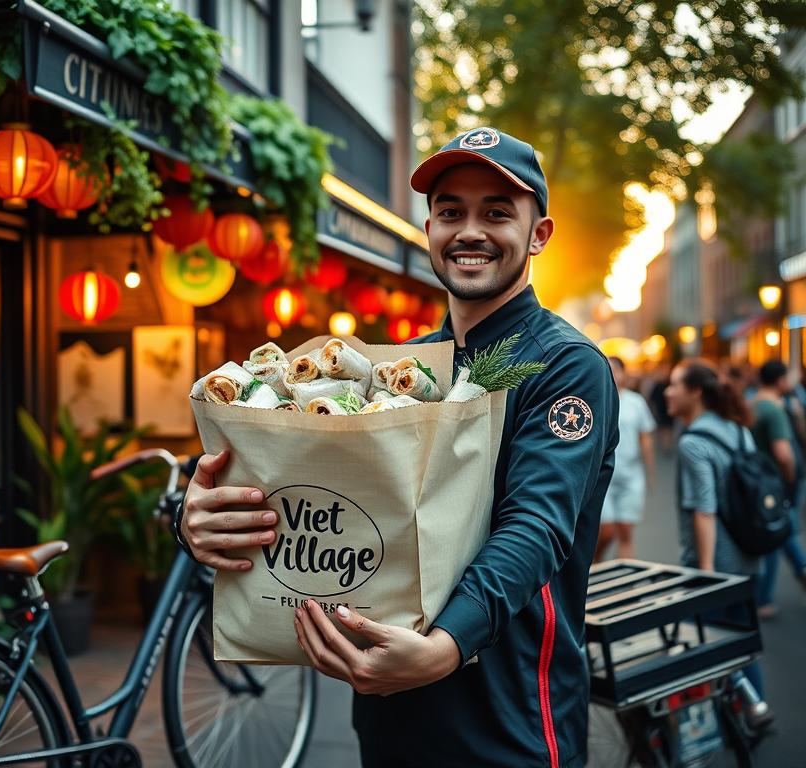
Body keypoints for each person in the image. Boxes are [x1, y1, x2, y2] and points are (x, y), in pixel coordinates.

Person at [178, 126, 619, 767]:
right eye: (450, 212)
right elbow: (305, 490)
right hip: (386, 714)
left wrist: (446, 646)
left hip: (512, 721)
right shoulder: (399, 369)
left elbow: (537, 528)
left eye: (497, 212)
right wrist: (197, 523)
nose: (469, 230)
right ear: (430, 230)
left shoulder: (566, 365)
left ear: (539, 234)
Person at [664, 360, 771, 725]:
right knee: (742, 638)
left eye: (674, 385)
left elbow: (704, 510)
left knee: (709, 643)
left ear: (695, 392)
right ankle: (757, 706)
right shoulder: (737, 429)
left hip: (715, 561)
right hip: (748, 554)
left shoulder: (693, 441)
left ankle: (727, 718)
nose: (667, 391)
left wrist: (705, 572)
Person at [750, 360, 806, 616]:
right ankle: (765, 597)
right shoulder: (774, 410)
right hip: (778, 484)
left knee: (782, 533)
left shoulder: (752, 403)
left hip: (761, 483)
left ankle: (765, 595)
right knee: (782, 533)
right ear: (780, 380)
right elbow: (784, 453)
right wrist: (790, 480)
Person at [595, 356, 655, 561]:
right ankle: (595, 564)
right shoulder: (597, 398)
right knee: (606, 531)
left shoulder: (636, 402)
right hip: (602, 477)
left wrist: (650, 472)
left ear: (624, 373)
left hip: (631, 475)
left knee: (626, 531)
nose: (612, 374)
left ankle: (627, 577)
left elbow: (645, 437)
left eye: (616, 369)